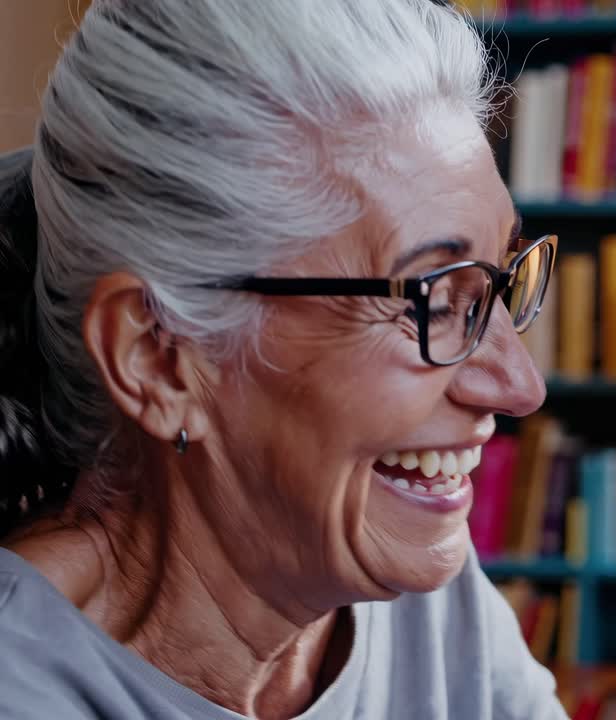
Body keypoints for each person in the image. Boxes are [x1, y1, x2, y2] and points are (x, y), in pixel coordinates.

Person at [0, 1, 568, 718]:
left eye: (497, 282)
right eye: (429, 300)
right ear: (160, 358)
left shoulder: (423, 606)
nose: (521, 386)